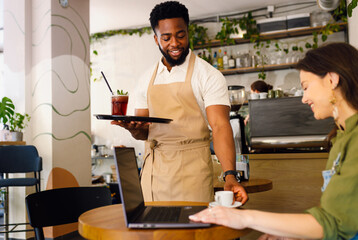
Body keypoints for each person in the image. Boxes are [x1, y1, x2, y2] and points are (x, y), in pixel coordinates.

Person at [189, 42, 358, 240]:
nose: (304, 98)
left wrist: (246, 218)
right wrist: (289, 232)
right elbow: (333, 211)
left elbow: (334, 224)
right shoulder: (342, 136)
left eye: (306, 87)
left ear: (332, 79)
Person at [111, 1, 248, 204]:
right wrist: (133, 129)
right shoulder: (146, 79)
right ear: (156, 39)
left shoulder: (208, 75)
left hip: (191, 174)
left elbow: (220, 126)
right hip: (152, 175)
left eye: (181, 35)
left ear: (188, 32)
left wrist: (230, 175)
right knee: (152, 233)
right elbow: (144, 131)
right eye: (166, 38)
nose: (174, 43)